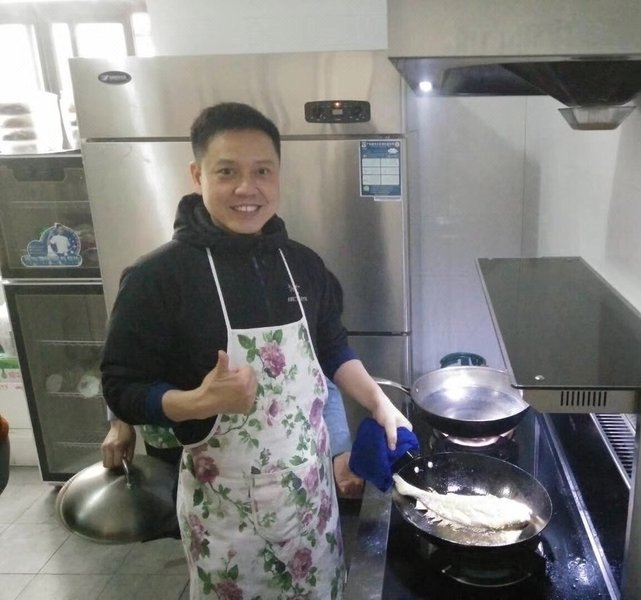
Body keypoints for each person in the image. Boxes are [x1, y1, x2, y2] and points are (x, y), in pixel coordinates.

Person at [100, 101, 411, 600]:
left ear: (278, 175)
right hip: (226, 525)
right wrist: (196, 402)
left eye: (262, 171)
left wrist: (379, 403)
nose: (248, 188)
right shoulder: (158, 278)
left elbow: (332, 347)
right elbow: (121, 386)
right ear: (197, 175)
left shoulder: (303, 266)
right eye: (227, 172)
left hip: (311, 508)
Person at [102, 378, 365, 499]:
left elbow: (320, 376)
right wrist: (119, 421)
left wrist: (340, 449)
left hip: (276, 465)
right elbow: (124, 359)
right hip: (172, 439)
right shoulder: (153, 284)